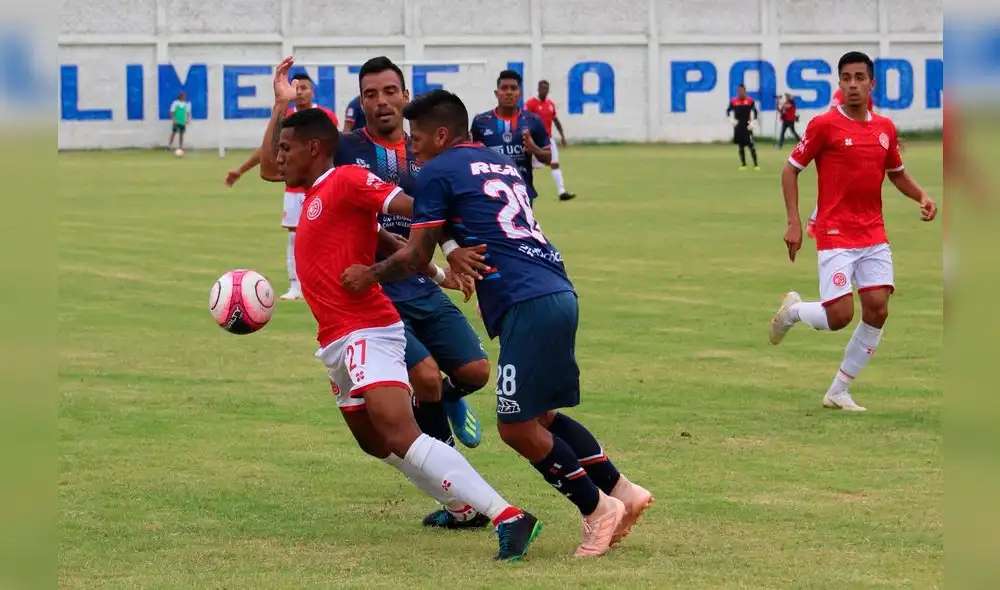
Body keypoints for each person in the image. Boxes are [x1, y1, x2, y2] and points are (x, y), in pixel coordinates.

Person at [341, 89, 653, 558]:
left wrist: (371, 273)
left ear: (442, 134)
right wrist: (456, 250)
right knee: (541, 415)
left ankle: (596, 509)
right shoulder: (498, 163)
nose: (414, 146)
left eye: (419, 137)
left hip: (523, 300)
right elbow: (479, 219)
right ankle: (622, 490)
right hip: (557, 289)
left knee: (515, 428)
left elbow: (415, 253)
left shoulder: (437, 171)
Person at [267, 58, 541, 561]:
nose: (278, 159)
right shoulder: (312, 198)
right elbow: (375, 235)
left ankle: (507, 514)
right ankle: (461, 508)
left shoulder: (348, 179)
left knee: (402, 428)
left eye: (286, 148)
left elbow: (414, 209)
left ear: (312, 148)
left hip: (369, 328)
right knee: (375, 442)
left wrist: (452, 243)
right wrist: (437, 272)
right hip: (335, 341)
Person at [331, 56, 493, 528]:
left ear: (404, 95)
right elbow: (355, 213)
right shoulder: (347, 150)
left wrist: (451, 254)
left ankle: (447, 397)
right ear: (360, 103)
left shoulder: (425, 151)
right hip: (377, 288)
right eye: (369, 94)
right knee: (422, 376)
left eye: (388, 92)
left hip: (420, 280)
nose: (380, 102)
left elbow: (436, 213)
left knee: (477, 371)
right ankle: (457, 501)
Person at [769, 51, 938, 412]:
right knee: (840, 316)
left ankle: (838, 391)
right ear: (839, 83)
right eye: (846, 78)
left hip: (873, 234)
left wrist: (920, 194)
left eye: (859, 78)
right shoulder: (824, 126)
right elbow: (790, 169)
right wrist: (794, 222)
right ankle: (795, 311)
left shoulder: (884, 129)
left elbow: (896, 173)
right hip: (835, 233)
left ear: (871, 83)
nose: (852, 85)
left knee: (877, 310)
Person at [227, 72, 339, 301]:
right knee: (295, 237)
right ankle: (296, 286)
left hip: (323, 185)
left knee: (327, 235)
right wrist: (241, 169)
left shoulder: (325, 117)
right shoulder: (286, 117)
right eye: (296, 88)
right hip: (294, 189)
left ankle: (325, 282)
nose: (300, 92)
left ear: (313, 90)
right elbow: (268, 151)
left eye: (305, 87)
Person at [470, 70, 551, 204]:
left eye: (513, 88)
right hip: (490, 194)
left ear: (519, 93)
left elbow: (549, 158)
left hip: (523, 193)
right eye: (504, 88)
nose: (509, 92)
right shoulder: (481, 122)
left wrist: (534, 149)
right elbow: (470, 159)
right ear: (497, 93)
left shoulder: (533, 120)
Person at [525, 80, 576, 201]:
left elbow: (555, 120)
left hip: (548, 139)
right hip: (534, 139)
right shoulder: (531, 104)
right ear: (538, 89)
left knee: (554, 164)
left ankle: (561, 191)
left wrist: (562, 135)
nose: (544, 90)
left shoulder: (550, 104)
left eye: (546, 88)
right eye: (542, 88)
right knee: (527, 166)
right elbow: (524, 119)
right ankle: (524, 191)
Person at [726, 84, 759, 170]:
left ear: (745, 91)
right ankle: (743, 164)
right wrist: (731, 120)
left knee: (751, 145)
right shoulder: (734, 101)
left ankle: (756, 164)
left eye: (742, 91)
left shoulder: (749, 101)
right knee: (741, 146)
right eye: (739, 91)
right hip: (738, 125)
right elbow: (728, 111)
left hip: (747, 125)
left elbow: (755, 111)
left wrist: (753, 122)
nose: (740, 93)